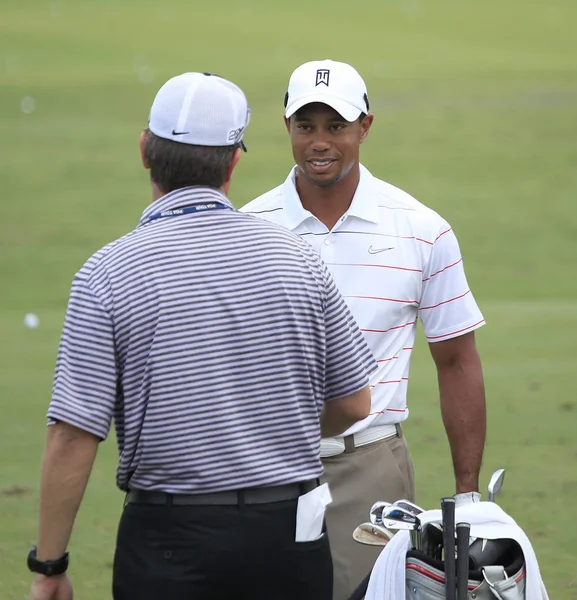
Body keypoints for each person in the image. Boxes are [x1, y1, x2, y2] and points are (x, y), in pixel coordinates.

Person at [26, 71, 379, 600]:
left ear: (145, 150)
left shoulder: (106, 273)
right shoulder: (299, 259)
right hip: (287, 537)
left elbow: (74, 435)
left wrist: (49, 565)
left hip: (167, 541)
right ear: (235, 160)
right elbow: (353, 403)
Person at [241, 59, 487, 600]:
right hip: (269, 467)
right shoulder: (248, 230)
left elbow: (457, 360)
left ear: (365, 127)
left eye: (336, 126)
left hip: (370, 467)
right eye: (306, 126)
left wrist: (468, 496)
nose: (319, 142)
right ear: (286, 127)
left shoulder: (421, 229)